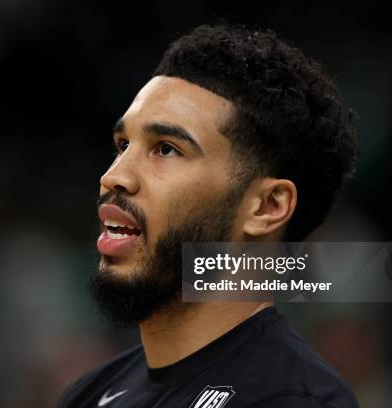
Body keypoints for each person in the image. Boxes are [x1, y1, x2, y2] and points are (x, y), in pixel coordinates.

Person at [59, 24, 359, 408]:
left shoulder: (293, 398)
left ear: (268, 207)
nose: (113, 176)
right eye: (123, 145)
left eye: (166, 149)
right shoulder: (90, 395)